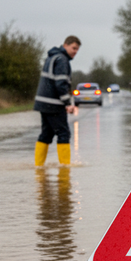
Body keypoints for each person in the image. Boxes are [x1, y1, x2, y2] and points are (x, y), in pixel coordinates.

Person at [33, 36, 81, 166]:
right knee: (64, 133)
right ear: (65, 45)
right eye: (74, 48)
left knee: (46, 134)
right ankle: (65, 168)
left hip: (43, 103)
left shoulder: (52, 57)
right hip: (53, 104)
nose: (75, 52)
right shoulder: (62, 60)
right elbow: (61, 84)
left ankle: (38, 167)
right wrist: (68, 104)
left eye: (77, 49)